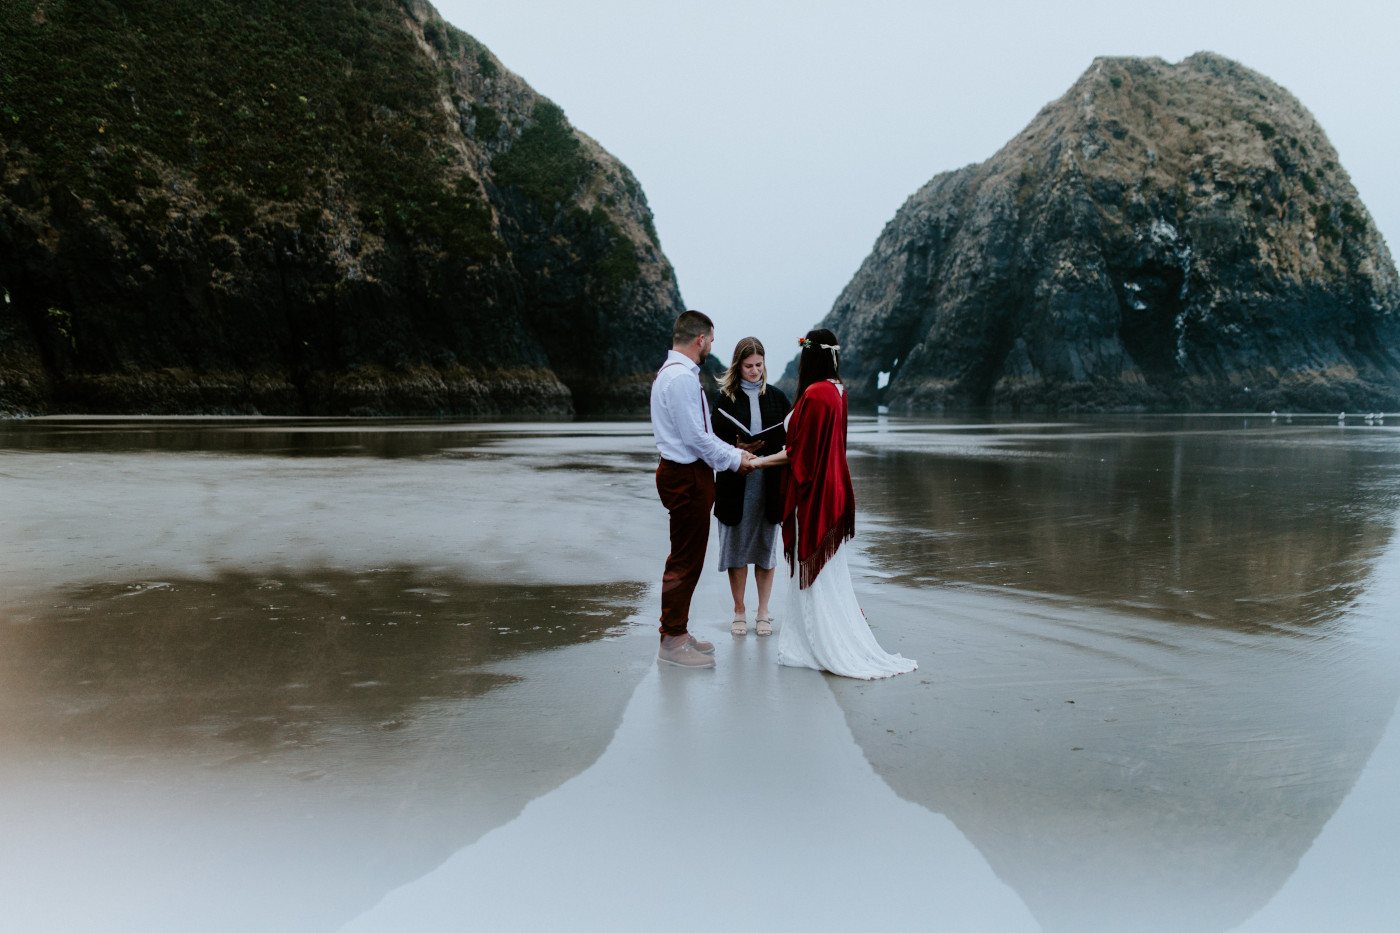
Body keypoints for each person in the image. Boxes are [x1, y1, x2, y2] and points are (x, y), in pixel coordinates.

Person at [752, 328, 916, 679]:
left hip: (814, 495)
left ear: (808, 357)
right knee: (831, 574)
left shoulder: (814, 394)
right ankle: (824, 639)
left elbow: (802, 456)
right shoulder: (838, 391)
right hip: (835, 491)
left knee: (813, 575)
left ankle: (813, 645)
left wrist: (758, 462)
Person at [651, 310, 757, 669]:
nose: (712, 345)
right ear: (700, 339)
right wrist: (734, 462)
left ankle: (676, 631)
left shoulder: (673, 374)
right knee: (685, 560)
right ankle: (673, 640)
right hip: (686, 476)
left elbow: (701, 436)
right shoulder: (680, 379)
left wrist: (732, 451)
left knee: (687, 558)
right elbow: (696, 439)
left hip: (685, 472)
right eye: (711, 339)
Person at [711, 337, 790, 636]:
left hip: (769, 480)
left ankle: (763, 612)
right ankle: (739, 610)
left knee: (765, 548)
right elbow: (711, 440)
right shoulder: (724, 399)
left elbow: (791, 436)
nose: (755, 371)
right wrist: (736, 445)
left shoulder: (778, 397)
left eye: (759, 365)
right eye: (748, 366)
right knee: (736, 549)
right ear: (738, 366)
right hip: (735, 479)